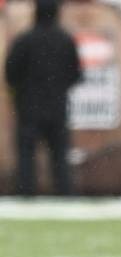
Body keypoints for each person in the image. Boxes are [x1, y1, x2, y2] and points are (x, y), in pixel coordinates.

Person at [4, 0, 82, 196]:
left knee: (26, 159)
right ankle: (65, 197)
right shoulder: (65, 40)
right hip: (57, 108)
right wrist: (58, 88)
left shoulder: (24, 40)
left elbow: (10, 74)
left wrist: (23, 92)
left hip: (28, 109)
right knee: (60, 159)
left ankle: (26, 197)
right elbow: (76, 75)